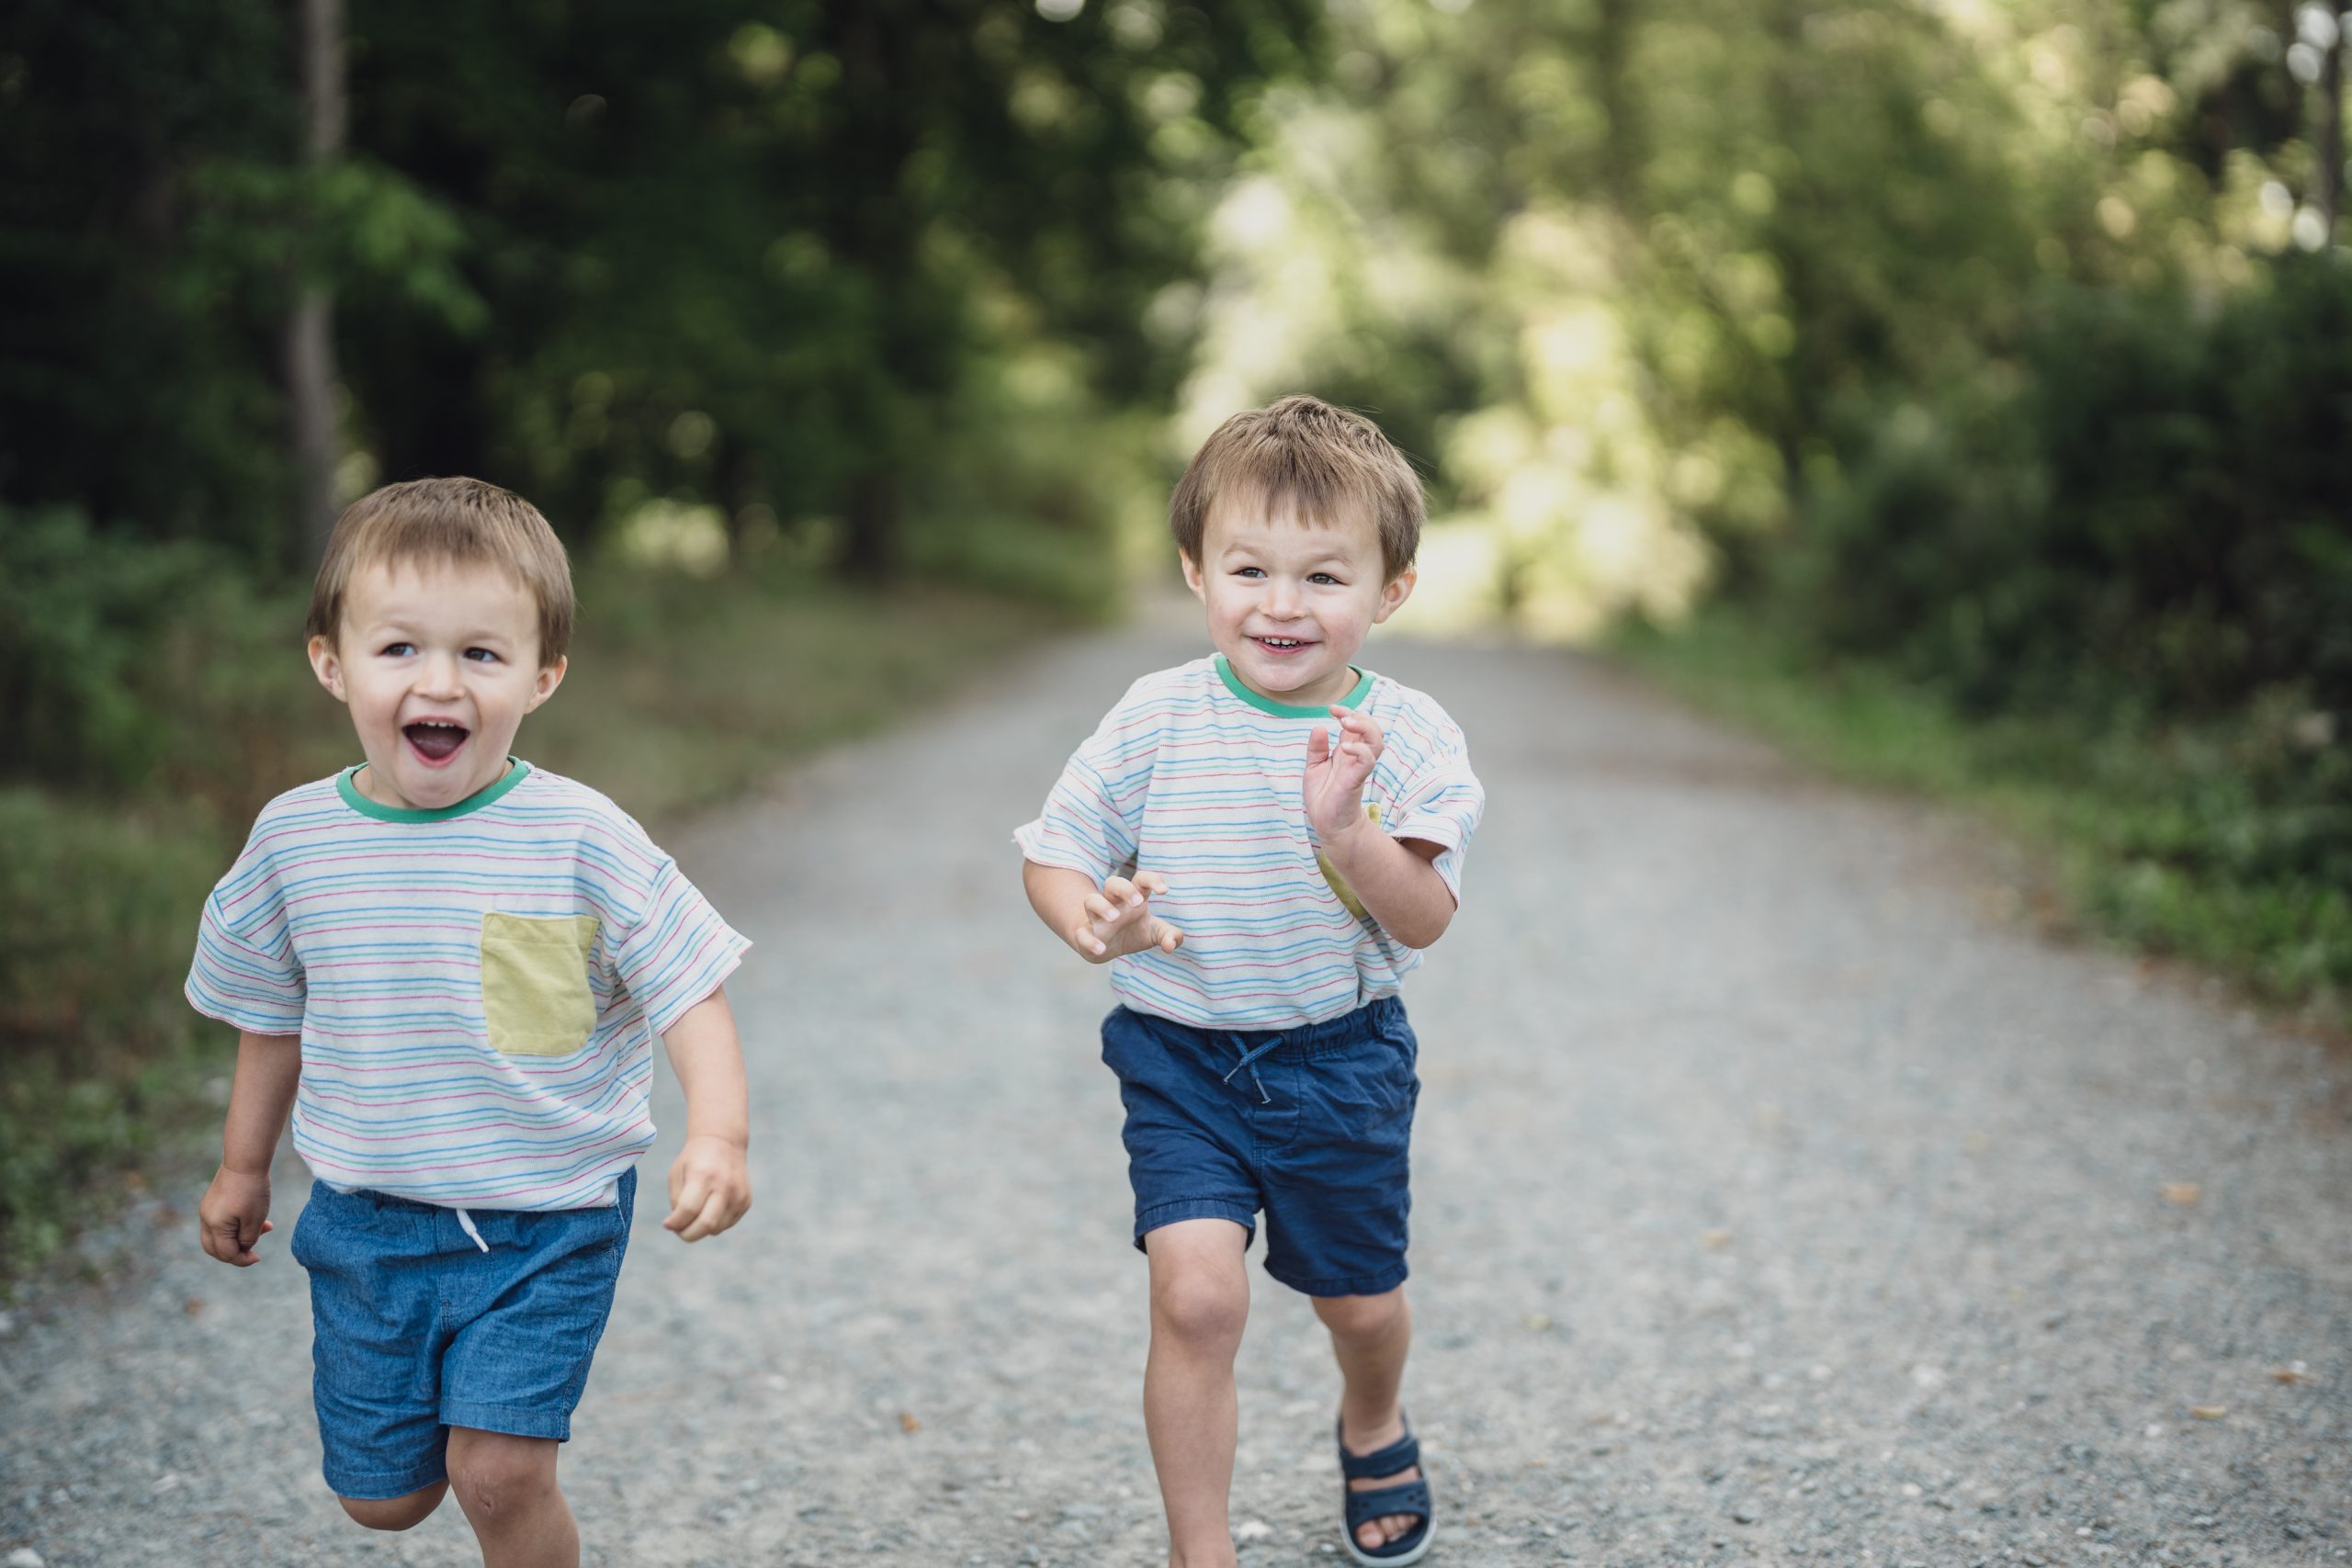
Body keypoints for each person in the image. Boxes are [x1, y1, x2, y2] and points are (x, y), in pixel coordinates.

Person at [187, 477, 753, 1568]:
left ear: (541, 678)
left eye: (481, 656)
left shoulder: (582, 836)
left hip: (547, 1218)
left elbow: (690, 984)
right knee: (383, 1502)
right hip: (367, 1219)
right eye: (399, 649)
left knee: (496, 1475)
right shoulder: (296, 842)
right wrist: (242, 1167)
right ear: (331, 663)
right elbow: (269, 1015)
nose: (437, 682)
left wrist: (717, 1134)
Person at [1015, 395, 1485, 1567]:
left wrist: (1350, 836)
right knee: (1197, 1298)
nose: (1281, 606)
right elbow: (1054, 848)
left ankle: (1370, 1415)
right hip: (1181, 1059)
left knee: (1360, 1305)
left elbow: (1425, 916)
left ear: (1390, 590)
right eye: (1249, 569)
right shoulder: (1156, 715)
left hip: (1341, 1062)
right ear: (1195, 570)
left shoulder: (1410, 737)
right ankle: (1202, 1550)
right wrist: (1093, 926)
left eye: (1324, 578)